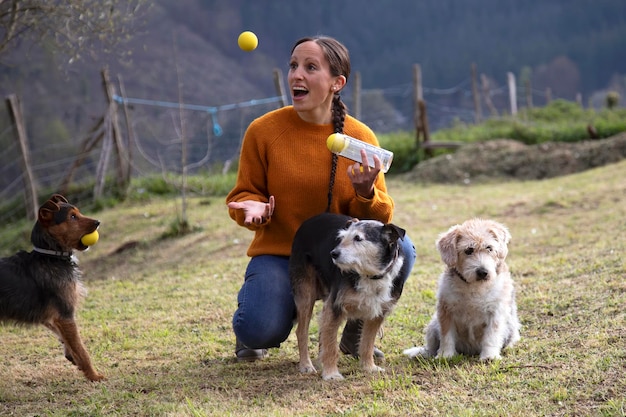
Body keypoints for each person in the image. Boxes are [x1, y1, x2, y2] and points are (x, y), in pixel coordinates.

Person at [226, 35, 416, 361]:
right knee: (258, 328)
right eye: (293, 66)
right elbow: (243, 194)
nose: (296, 75)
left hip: (343, 255)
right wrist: (252, 209)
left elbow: (380, 220)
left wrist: (365, 193)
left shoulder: (359, 138)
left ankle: (354, 334)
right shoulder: (263, 131)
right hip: (282, 255)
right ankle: (255, 322)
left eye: (310, 67)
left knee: (404, 249)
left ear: (336, 83)